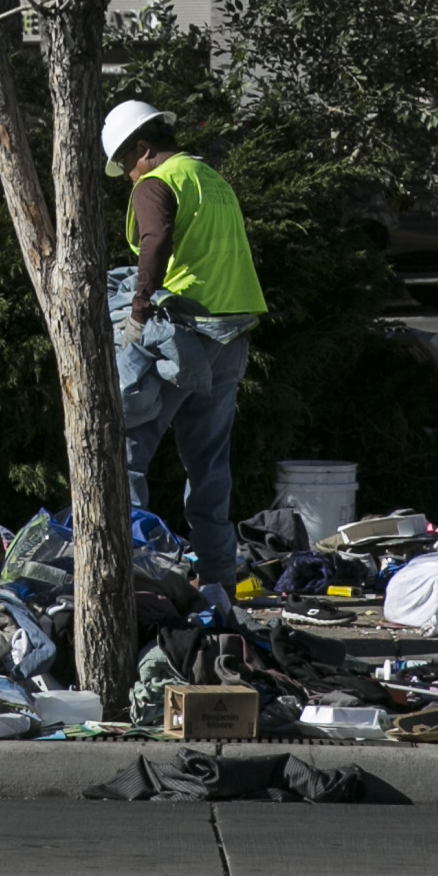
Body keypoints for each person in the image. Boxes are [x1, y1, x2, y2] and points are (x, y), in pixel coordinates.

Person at [105, 98, 264, 605]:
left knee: (126, 453)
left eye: (126, 166)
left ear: (143, 149)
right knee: (209, 464)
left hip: (184, 334)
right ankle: (218, 581)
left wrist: (138, 307)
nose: (128, 178)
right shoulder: (209, 177)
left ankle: (136, 575)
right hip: (231, 333)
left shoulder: (157, 181)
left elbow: (155, 241)